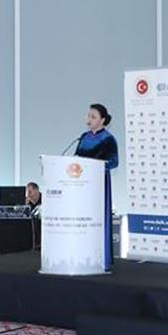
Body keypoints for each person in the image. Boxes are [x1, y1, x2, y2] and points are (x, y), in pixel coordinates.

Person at [75, 103, 119, 271]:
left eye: (93, 116)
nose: (89, 119)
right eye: (88, 116)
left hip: (98, 183)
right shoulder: (83, 137)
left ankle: (100, 257)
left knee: (98, 218)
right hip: (81, 184)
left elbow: (114, 162)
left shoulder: (108, 139)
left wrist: (95, 166)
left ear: (102, 120)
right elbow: (76, 158)